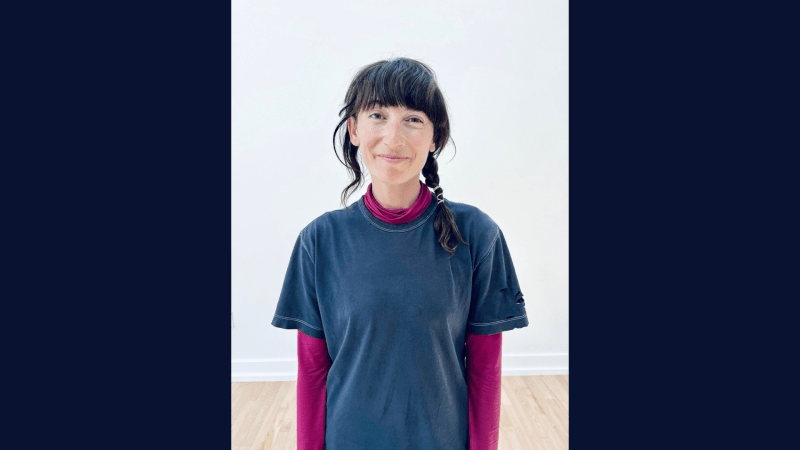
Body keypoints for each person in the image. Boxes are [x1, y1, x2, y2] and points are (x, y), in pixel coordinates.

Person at [271, 57, 529, 450]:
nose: (393, 138)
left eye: (413, 119)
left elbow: (485, 369)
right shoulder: (319, 240)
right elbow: (312, 371)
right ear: (354, 129)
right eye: (378, 115)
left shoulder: (477, 235)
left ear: (434, 137)